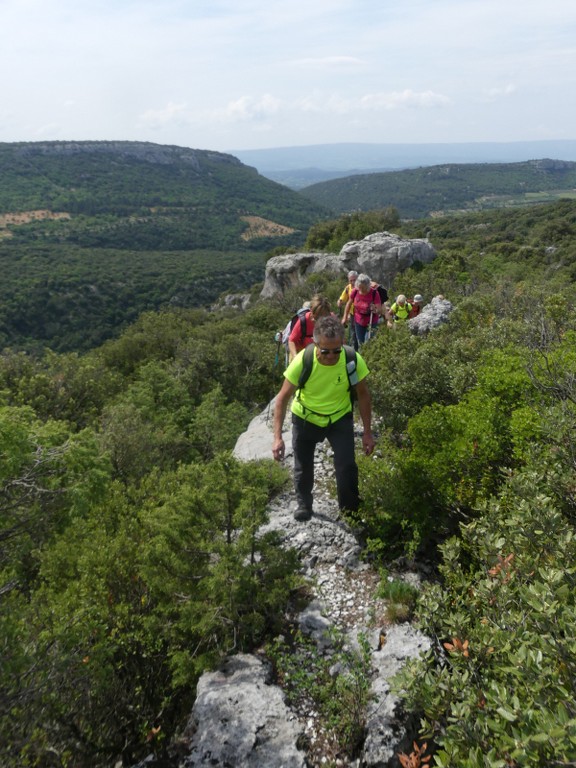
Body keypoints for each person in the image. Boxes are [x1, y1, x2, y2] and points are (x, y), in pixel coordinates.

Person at [272, 315, 376, 521]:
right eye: (325, 350)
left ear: (343, 343)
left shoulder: (351, 359)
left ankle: (350, 510)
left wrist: (367, 432)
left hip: (339, 418)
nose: (331, 355)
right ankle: (304, 505)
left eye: (336, 350)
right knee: (303, 465)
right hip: (306, 418)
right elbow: (282, 398)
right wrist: (277, 437)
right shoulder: (303, 360)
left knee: (346, 465)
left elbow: (363, 394)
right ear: (315, 343)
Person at [287, 294, 332, 361]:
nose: (319, 321)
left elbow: (340, 340)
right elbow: (291, 340)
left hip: (319, 352)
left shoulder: (332, 319)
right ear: (311, 311)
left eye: (324, 317)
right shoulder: (303, 321)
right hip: (300, 352)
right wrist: (295, 357)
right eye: (317, 317)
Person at [342, 273, 381, 346]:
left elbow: (379, 310)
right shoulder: (355, 291)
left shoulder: (374, 293)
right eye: (360, 288)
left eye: (364, 288)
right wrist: (345, 317)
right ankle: (362, 356)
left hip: (371, 321)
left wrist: (374, 309)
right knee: (360, 343)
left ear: (368, 286)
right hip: (358, 320)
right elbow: (348, 304)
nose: (362, 290)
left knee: (368, 342)